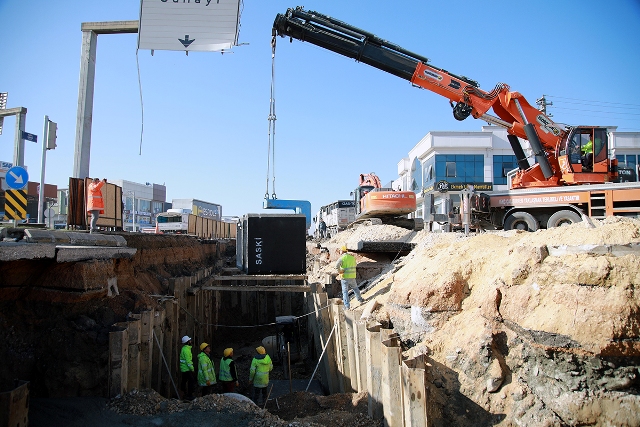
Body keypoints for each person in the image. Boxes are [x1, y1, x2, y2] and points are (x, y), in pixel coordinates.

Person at [335, 245, 365, 309]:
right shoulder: (352, 258)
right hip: (352, 277)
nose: (339, 252)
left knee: (345, 292)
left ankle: (347, 306)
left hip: (345, 277)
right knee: (355, 288)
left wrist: (340, 271)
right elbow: (355, 265)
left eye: (340, 250)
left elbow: (336, 266)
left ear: (342, 251)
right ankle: (360, 299)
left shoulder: (342, 258)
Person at [179, 335, 196, 400]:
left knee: (184, 381)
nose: (191, 341)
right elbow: (188, 361)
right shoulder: (186, 350)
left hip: (184, 368)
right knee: (191, 381)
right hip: (186, 369)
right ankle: (189, 395)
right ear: (187, 342)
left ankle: (184, 394)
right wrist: (192, 369)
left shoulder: (185, 349)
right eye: (190, 340)